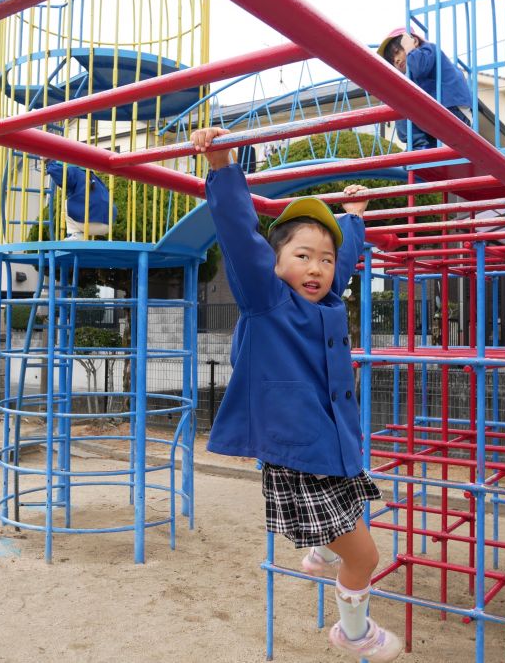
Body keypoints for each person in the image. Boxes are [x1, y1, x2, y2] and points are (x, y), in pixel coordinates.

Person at [194, 126, 401, 662]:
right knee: (367, 556)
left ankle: (319, 551)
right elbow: (240, 236)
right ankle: (354, 633)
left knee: (356, 526)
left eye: (324, 260)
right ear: (276, 261)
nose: (316, 268)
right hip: (299, 454)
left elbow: (347, 259)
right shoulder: (267, 302)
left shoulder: (329, 303)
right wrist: (222, 167)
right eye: (303, 256)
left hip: (332, 449)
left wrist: (353, 217)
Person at [377, 26, 472, 150]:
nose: (397, 59)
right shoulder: (413, 74)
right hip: (440, 117)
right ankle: (419, 145)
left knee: (403, 105)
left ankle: (418, 145)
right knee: (402, 104)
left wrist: (409, 48)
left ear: (414, 42)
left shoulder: (427, 50)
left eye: (397, 52)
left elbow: (420, 67)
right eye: (393, 61)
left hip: (455, 111)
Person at [44, 159, 116, 239]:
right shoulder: (92, 176)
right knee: (84, 202)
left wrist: (49, 162)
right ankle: (80, 234)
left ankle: (75, 234)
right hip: (108, 223)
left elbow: (60, 177)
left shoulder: (73, 171)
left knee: (67, 203)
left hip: (89, 222)